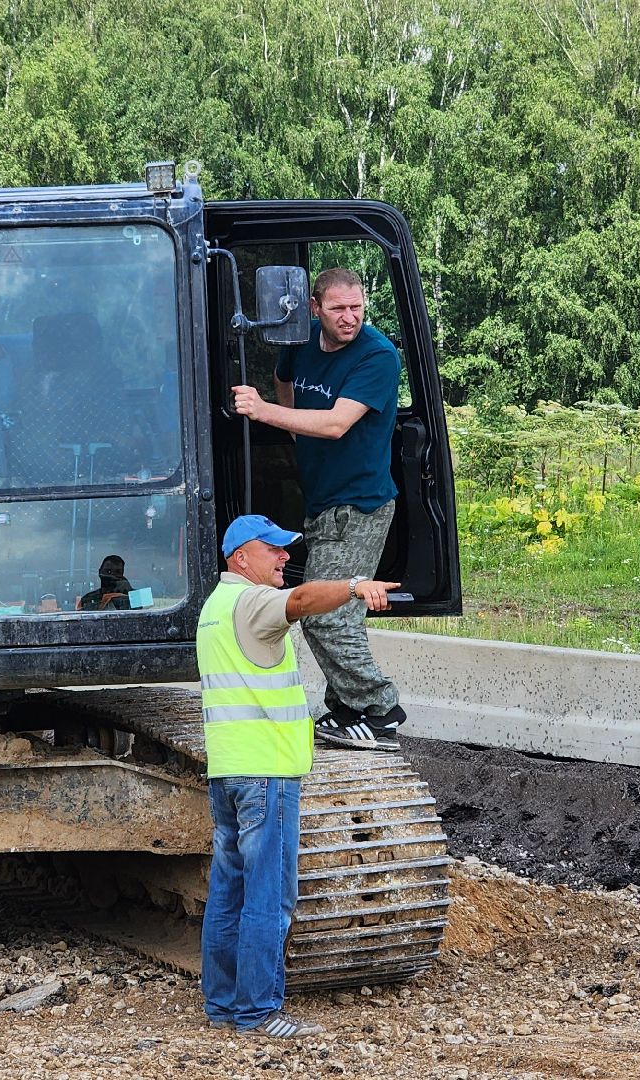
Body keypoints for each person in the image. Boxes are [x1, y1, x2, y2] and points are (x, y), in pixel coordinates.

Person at [198, 514, 397, 1038]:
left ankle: (222, 1004)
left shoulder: (214, 608)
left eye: (286, 550)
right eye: (274, 550)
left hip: (229, 770)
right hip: (267, 773)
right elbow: (304, 602)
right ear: (241, 557)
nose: (286, 557)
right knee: (269, 895)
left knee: (229, 893)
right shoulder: (253, 603)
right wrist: (355, 587)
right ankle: (259, 1012)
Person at [230, 267, 406, 752]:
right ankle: (346, 712)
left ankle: (381, 712)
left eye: (357, 307)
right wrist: (289, 424)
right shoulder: (301, 337)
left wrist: (266, 412)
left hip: (361, 505)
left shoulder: (377, 355)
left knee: (324, 614)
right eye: (338, 309)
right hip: (323, 500)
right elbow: (283, 378)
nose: (350, 318)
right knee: (338, 614)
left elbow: (334, 425)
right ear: (314, 308)